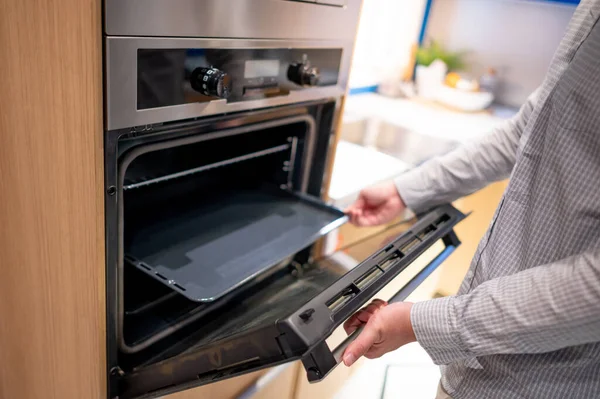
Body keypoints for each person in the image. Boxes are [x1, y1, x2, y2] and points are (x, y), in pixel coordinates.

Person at [342, 1, 600, 398]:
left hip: (545, 386)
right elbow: (528, 130)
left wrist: (422, 323)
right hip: (478, 368)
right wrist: (406, 190)